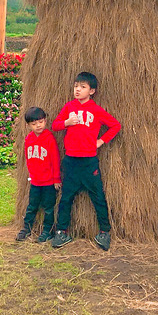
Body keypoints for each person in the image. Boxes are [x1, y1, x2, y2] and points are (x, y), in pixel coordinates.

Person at [50, 71, 121, 251]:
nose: (78, 90)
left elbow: (115, 125)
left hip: (89, 161)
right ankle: (61, 232)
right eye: (76, 86)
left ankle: (104, 232)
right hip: (71, 161)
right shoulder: (69, 107)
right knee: (66, 197)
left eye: (82, 87)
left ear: (92, 91)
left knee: (98, 196)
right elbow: (55, 125)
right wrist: (67, 122)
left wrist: (101, 141)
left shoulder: (96, 110)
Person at [17, 106, 61, 242]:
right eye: (34, 124)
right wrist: (31, 175)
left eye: (40, 122)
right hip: (35, 181)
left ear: (45, 121)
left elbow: (55, 159)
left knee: (48, 207)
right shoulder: (29, 139)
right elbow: (28, 158)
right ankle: (26, 228)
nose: (38, 126)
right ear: (28, 125)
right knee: (32, 206)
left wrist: (56, 179)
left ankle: (48, 230)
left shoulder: (49, 138)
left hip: (48, 182)